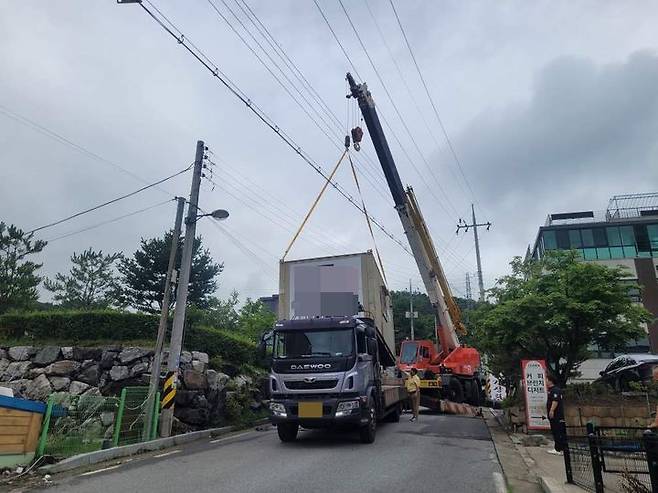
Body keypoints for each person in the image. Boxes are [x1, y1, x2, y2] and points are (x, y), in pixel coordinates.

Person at [546, 374, 566, 455]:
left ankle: (558, 449)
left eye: (547, 380)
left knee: (557, 431)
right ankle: (559, 448)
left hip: (557, 415)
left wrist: (551, 410)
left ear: (550, 381)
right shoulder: (551, 390)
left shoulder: (555, 390)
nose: (546, 381)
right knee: (555, 431)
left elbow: (555, 401)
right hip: (554, 415)